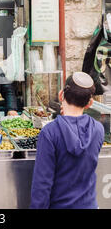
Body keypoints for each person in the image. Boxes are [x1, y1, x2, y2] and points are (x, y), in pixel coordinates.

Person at [30, 71, 104, 209]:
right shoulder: (98, 130)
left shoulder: (50, 132)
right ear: (90, 103)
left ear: (61, 95)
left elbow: (42, 185)